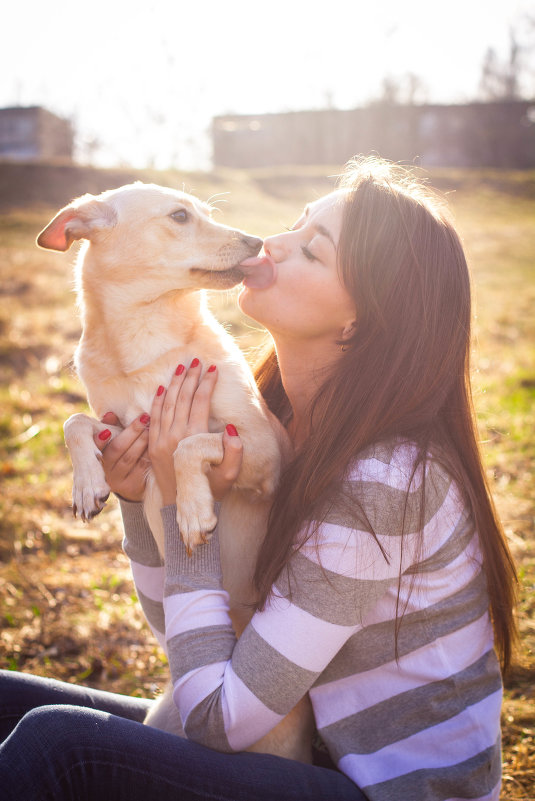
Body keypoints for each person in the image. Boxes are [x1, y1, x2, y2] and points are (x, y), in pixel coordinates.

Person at [0, 157, 517, 801]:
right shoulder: (283, 419)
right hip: (285, 737)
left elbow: (219, 723)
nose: (269, 243)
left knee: (57, 749)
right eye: (295, 224)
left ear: (357, 318)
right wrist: (140, 496)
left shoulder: (384, 481)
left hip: (377, 788)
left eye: (311, 251)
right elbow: (187, 639)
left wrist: (182, 502)